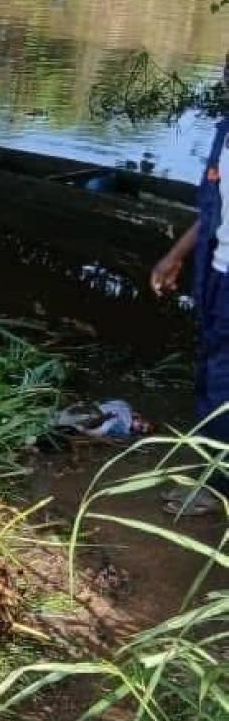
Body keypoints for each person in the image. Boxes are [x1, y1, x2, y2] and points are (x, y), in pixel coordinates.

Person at [151, 111, 229, 515]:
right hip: (217, 276)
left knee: (222, 387)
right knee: (211, 378)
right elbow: (211, 212)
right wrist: (174, 257)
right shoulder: (225, 133)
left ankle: (218, 488)